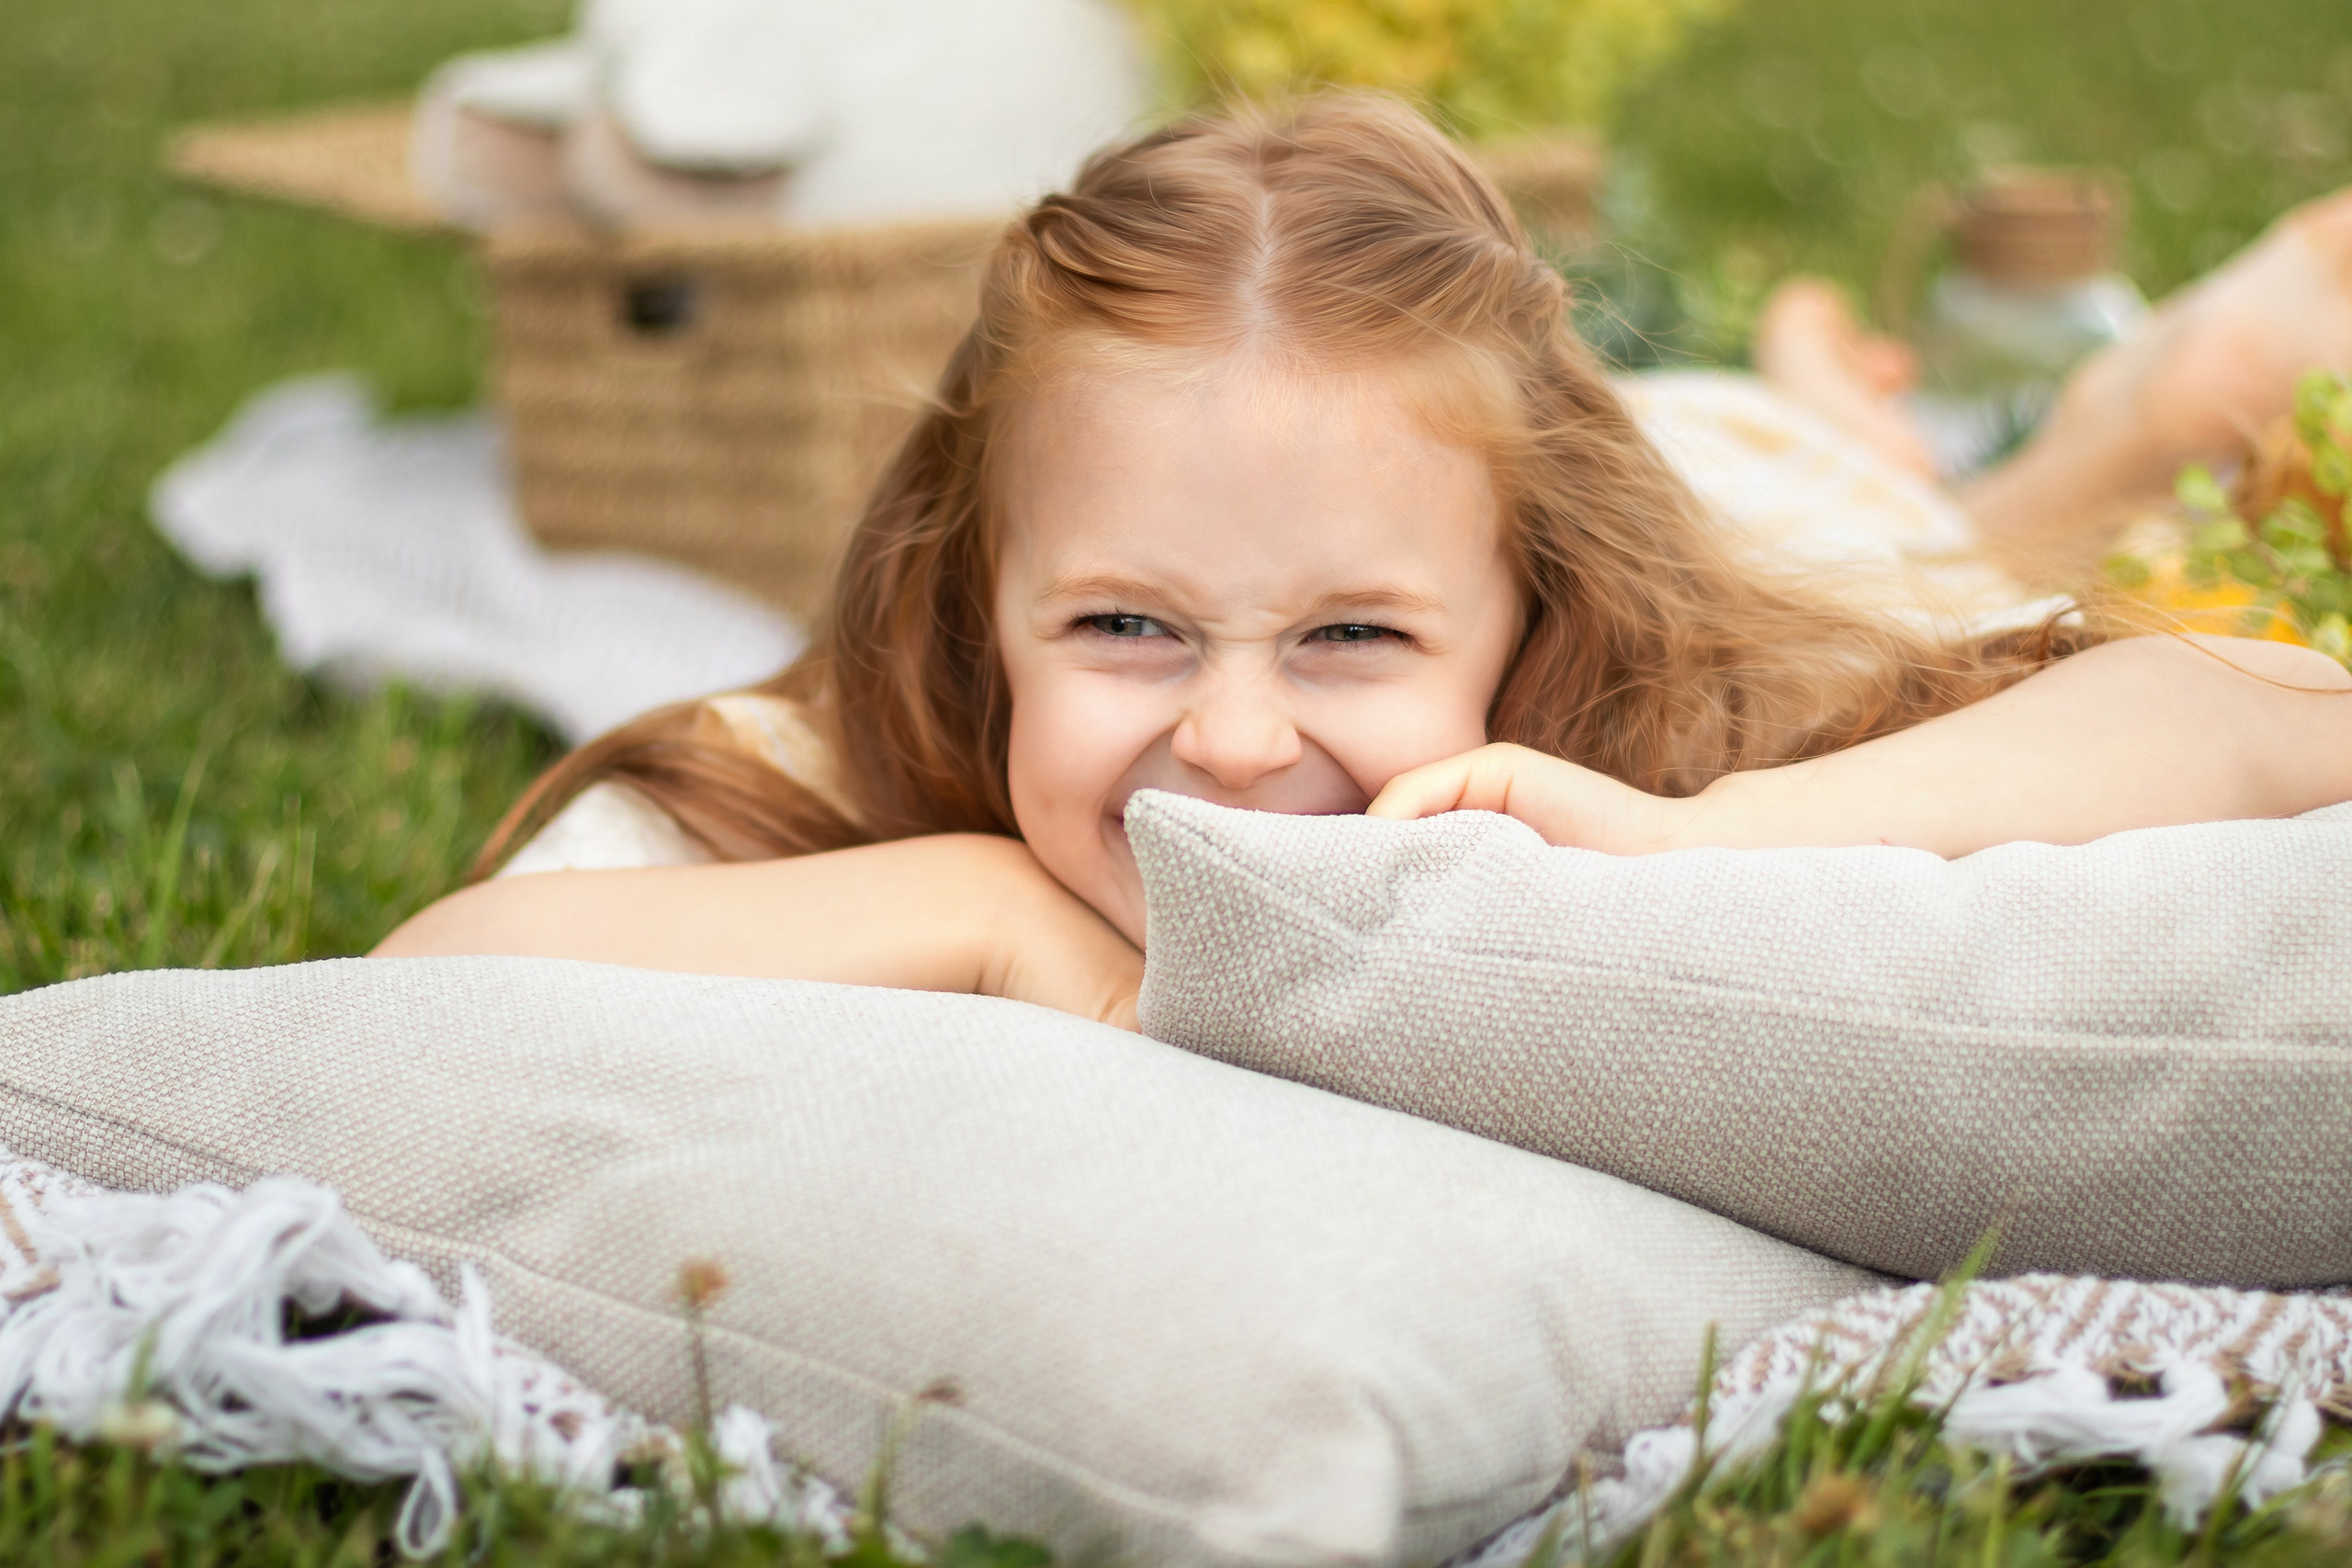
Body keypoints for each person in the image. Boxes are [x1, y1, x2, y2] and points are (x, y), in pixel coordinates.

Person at [375, 94, 2352, 1028]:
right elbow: (420, 984)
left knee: (1929, 533)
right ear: (977, 605)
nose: (1232, 741)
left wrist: (1705, 834)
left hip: (1756, 482)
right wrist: (986, 907)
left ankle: (2074, 416)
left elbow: (2279, 708)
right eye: (1124, 623)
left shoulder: (1647, 715)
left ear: (1534, 616)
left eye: (1349, 636)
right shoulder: (869, 764)